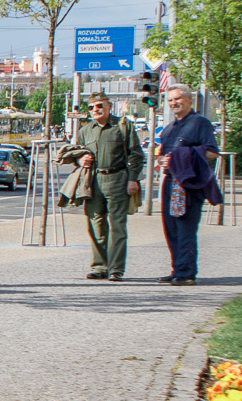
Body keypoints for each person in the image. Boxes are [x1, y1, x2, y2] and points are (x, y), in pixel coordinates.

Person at [155, 84, 222, 286]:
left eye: (178, 99)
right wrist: (162, 161)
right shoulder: (169, 128)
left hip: (188, 184)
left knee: (185, 229)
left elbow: (212, 152)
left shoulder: (200, 123)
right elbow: (161, 156)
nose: (174, 103)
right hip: (170, 182)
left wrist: (181, 157)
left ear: (189, 100)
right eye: (170, 100)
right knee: (171, 229)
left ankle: (187, 273)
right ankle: (177, 268)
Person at [73, 91, 143, 282]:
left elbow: (136, 155)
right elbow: (76, 154)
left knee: (117, 226)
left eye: (99, 106)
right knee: (95, 224)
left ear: (109, 107)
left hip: (117, 179)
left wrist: (133, 179)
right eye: (91, 107)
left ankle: (116, 269)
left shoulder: (122, 125)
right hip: (93, 180)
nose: (95, 110)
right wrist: (81, 160)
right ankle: (99, 266)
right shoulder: (85, 130)